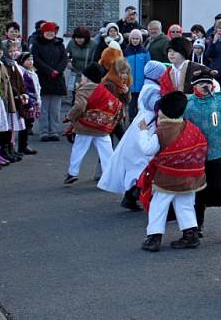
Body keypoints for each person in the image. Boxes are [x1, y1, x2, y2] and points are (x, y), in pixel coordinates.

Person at [137, 91, 208, 252]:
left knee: (158, 205)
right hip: (190, 176)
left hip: (168, 178)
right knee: (186, 205)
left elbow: (147, 149)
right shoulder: (190, 127)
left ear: (163, 111)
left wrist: (142, 131)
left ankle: (154, 237)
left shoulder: (163, 130)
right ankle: (190, 234)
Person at [98, 60, 167, 211]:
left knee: (140, 162)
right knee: (144, 162)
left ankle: (134, 195)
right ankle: (135, 195)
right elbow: (156, 105)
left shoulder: (149, 86)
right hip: (147, 126)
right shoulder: (152, 89)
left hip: (143, 124)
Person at [184, 71, 221, 236]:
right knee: (198, 191)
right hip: (197, 155)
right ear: (194, 86)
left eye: (208, 83)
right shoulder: (188, 104)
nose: (205, 86)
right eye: (201, 83)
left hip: (219, 152)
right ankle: (197, 226)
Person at [64, 60, 130, 185]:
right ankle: (109, 175)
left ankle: (73, 172)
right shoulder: (104, 90)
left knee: (79, 149)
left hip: (85, 127)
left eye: (83, 76)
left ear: (87, 78)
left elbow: (79, 106)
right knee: (106, 151)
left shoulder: (83, 90)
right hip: (103, 127)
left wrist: (70, 117)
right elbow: (117, 105)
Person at [31, 22, 68, 142]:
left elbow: (64, 58)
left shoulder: (59, 44)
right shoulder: (37, 44)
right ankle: (44, 131)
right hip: (43, 78)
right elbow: (36, 59)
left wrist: (57, 70)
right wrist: (49, 71)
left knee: (55, 108)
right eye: (48, 32)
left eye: (52, 32)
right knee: (44, 107)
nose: (50, 34)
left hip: (57, 79)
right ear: (43, 32)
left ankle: (54, 131)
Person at [16, 52, 41, 156]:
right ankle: (22, 146)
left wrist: (38, 100)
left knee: (29, 122)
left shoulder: (33, 72)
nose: (30, 62)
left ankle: (24, 144)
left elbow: (37, 87)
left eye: (31, 60)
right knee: (24, 124)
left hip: (34, 101)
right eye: (27, 60)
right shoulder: (22, 72)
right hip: (26, 101)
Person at [123, 29, 150, 121]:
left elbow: (148, 67)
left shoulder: (145, 52)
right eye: (133, 38)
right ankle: (131, 121)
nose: (135, 40)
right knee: (131, 105)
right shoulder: (126, 51)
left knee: (140, 105)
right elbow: (123, 67)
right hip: (130, 84)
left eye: (137, 39)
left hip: (141, 83)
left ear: (140, 40)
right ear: (130, 39)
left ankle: (139, 122)